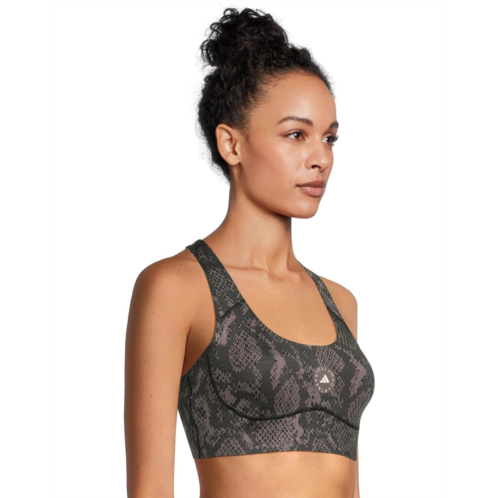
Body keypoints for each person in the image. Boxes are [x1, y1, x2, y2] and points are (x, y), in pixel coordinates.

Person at [124, 7, 375, 498]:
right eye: (296, 134)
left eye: (329, 138)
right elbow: (150, 488)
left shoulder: (340, 303)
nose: (321, 157)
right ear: (231, 144)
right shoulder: (177, 287)